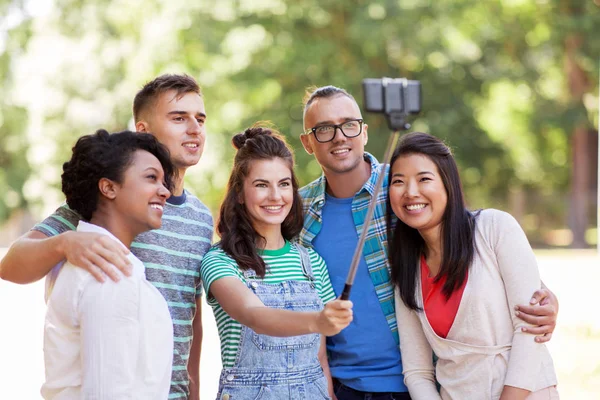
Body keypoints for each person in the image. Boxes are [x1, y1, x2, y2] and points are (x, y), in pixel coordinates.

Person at [297, 85, 560, 400]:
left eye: (349, 125)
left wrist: (546, 299)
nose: (339, 136)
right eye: (324, 129)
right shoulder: (297, 211)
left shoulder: (404, 191)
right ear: (308, 143)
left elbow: (471, 246)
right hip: (347, 386)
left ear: (364, 132)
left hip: (428, 382)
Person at [0, 74, 212, 399]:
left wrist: (192, 393)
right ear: (142, 130)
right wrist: (65, 243)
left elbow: (190, 315)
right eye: (178, 118)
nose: (195, 128)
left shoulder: (200, 217)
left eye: (200, 118)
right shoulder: (108, 201)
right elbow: (11, 266)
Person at [387, 132, 559, 399]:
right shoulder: (406, 268)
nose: (410, 192)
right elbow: (417, 371)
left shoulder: (494, 228)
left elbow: (529, 333)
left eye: (424, 179)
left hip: (525, 392)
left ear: (448, 185)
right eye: (398, 182)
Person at [200, 126, 353, 400]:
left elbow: (320, 359)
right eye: (261, 185)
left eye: (284, 184)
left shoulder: (312, 262)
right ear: (239, 193)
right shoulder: (220, 261)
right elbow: (255, 316)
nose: (275, 196)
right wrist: (317, 320)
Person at [42, 129, 175, 399]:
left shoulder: (103, 263)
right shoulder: (109, 273)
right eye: (151, 178)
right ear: (109, 187)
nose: (165, 192)